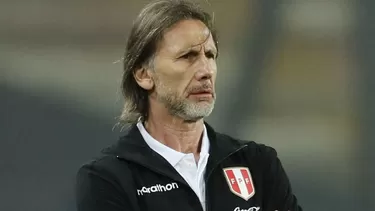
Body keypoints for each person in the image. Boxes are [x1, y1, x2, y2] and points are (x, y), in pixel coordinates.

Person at [75, 0, 303, 211]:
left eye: (210, 55)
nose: (206, 71)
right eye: (188, 56)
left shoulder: (258, 163)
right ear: (144, 75)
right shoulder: (109, 178)